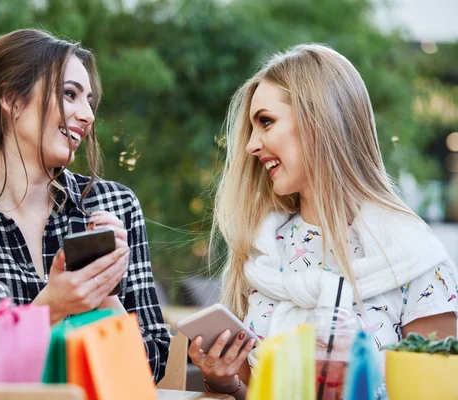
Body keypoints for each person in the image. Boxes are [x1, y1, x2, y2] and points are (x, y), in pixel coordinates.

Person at [188, 44, 458, 399]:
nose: (252, 144)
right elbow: (253, 392)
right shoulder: (260, 249)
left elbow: (437, 390)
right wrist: (225, 381)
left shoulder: (411, 253)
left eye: (266, 121)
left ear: (319, 120)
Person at [0, 29, 169, 382]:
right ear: (13, 100)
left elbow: (153, 364)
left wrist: (104, 293)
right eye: (70, 94)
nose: (88, 114)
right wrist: (53, 307)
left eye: (90, 101)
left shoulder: (114, 204)